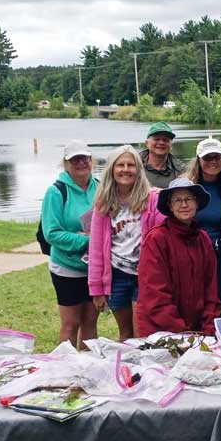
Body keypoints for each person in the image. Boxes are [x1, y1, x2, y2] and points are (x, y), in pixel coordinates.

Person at [87, 145, 165, 342]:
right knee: (125, 333)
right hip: (117, 275)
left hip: (144, 274)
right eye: (120, 165)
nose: (125, 169)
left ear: (138, 170)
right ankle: (126, 372)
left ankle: (145, 371)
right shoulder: (103, 203)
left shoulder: (152, 198)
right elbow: (96, 248)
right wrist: (96, 289)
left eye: (131, 165)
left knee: (142, 332)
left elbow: (163, 236)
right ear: (112, 170)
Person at [137, 178, 220, 336]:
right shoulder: (156, 239)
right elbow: (155, 294)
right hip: (160, 330)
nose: (184, 205)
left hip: (197, 330)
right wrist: (183, 331)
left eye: (189, 199)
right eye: (177, 200)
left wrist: (207, 327)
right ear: (170, 206)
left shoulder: (203, 239)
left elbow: (211, 289)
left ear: (197, 203)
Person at [40, 139, 99, 348]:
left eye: (84, 158)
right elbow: (52, 234)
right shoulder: (56, 192)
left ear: (91, 160)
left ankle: (89, 370)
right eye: (75, 159)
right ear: (66, 163)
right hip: (67, 268)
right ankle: (63, 370)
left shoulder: (100, 187)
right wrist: (88, 240)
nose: (80, 163)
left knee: (91, 322)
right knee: (71, 323)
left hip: (94, 268)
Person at [184, 137, 221, 313]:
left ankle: (214, 338)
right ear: (199, 161)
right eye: (207, 158)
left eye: (217, 157)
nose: (212, 162)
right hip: (191, 256)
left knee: (217, 306)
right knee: (192, 306)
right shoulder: (187, 187)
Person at [139, 121, 185, 188]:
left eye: (165, 140)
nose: (161, 143)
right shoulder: (134, 165)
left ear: (171, 145)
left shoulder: (181, 170)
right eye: (157, 139)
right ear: (147, 143)